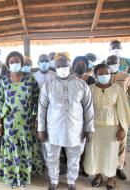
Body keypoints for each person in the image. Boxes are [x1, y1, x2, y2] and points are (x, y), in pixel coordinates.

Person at [38, 52, 94, 190]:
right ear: (55, 67)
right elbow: (42, 108)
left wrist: (89, 128)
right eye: (58, 65)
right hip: (53, 129)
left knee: (74, 157)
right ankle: (54, 180)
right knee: (52, 156)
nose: (62, 67)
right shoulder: (48, 85)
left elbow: (88, 108)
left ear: (70, 66)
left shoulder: (82, 84)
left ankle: (71, 181)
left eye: (64, 64)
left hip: (75, 129)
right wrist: (41, 128)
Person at [0, 51, 40, 188]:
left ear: (22, 63)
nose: (14, 64)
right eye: (11, 62)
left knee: (24, 150)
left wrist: (36, 119)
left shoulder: (30, 80)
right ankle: (12, 178)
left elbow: (36, 101)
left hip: (26, 123)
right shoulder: (4, 81)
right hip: (9, 123)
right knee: (11, 150)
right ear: (7, 64)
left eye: (17, 61)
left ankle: (24, 178)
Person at [83, 64, 130, 190]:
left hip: (112, 127)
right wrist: (85, 128)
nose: (104, 75)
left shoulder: (117, 89)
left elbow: (123, 109)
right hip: (94, 127)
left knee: (111, 154)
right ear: (96, 75)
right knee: (95, 153)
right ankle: (98, 176)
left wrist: (122, 128)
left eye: (106, 72)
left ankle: (111, 178)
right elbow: (85, 109)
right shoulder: (90, 88)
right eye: (101, 73)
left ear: (110, 74)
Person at [106, 55, 130, 180]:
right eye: (109, 62)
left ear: (119, 63)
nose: (111, 64)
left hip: (122, 113)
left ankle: (118, 168)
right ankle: (106, 168)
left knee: (121, 141)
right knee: (108, 142)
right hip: (106, 113)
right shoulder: (102, 76)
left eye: (114, 62)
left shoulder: (126, 76)